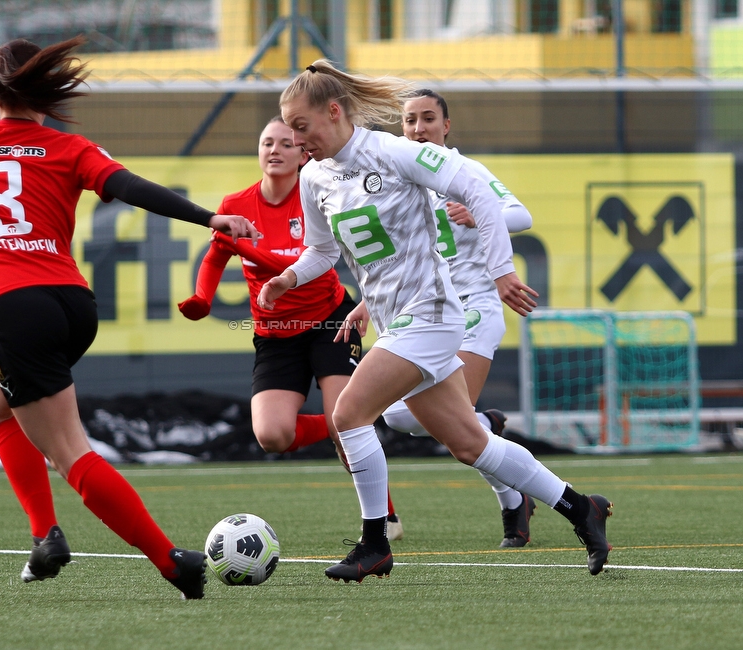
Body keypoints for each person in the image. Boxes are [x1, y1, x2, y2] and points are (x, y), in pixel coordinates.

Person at [258, 60, 613, 582]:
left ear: (334, 112)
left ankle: (374, 543)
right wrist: (288, 278)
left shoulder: (390, 151)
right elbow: (320, 251)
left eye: (301, 125)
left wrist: (500, 271)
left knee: (349, 413)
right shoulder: (314, 177)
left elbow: (478, 190)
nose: (294, 138)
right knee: (470, 444)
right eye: (289, 128)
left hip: (433, 315)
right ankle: (582, 508)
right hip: (396, 321)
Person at [0, 36, 259, 600]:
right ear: (47, 90)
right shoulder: (68, 147)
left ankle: (169, 560)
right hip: (72, 303)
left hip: (14, 304)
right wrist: (208, 217)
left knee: (70, 451)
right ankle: (44, 535)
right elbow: (130, 188)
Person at [177, 117, 403, 541]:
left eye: (286, 143)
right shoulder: (236, 203)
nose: (275, 149)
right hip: (275, 333)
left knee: (347, 421)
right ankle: (342, 425)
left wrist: (249, 249)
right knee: (272, 435)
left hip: (330, 320)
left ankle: (386, 517)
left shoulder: (315, 194)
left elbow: (308, 265)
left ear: (303, 154)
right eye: (266, 142)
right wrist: (202, 297)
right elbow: (214, 256)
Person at [375, 88, 537, 548]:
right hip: (424, 311)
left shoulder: (465, 171)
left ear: (446, 126)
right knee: (397, 415)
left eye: (428, 118)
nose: (419, 128)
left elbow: (520, 214)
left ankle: (513, 505)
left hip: (474, 307)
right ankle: (486, 428)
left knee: (454, 424)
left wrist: (478, 215)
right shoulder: (400, 178)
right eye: (410, 120)